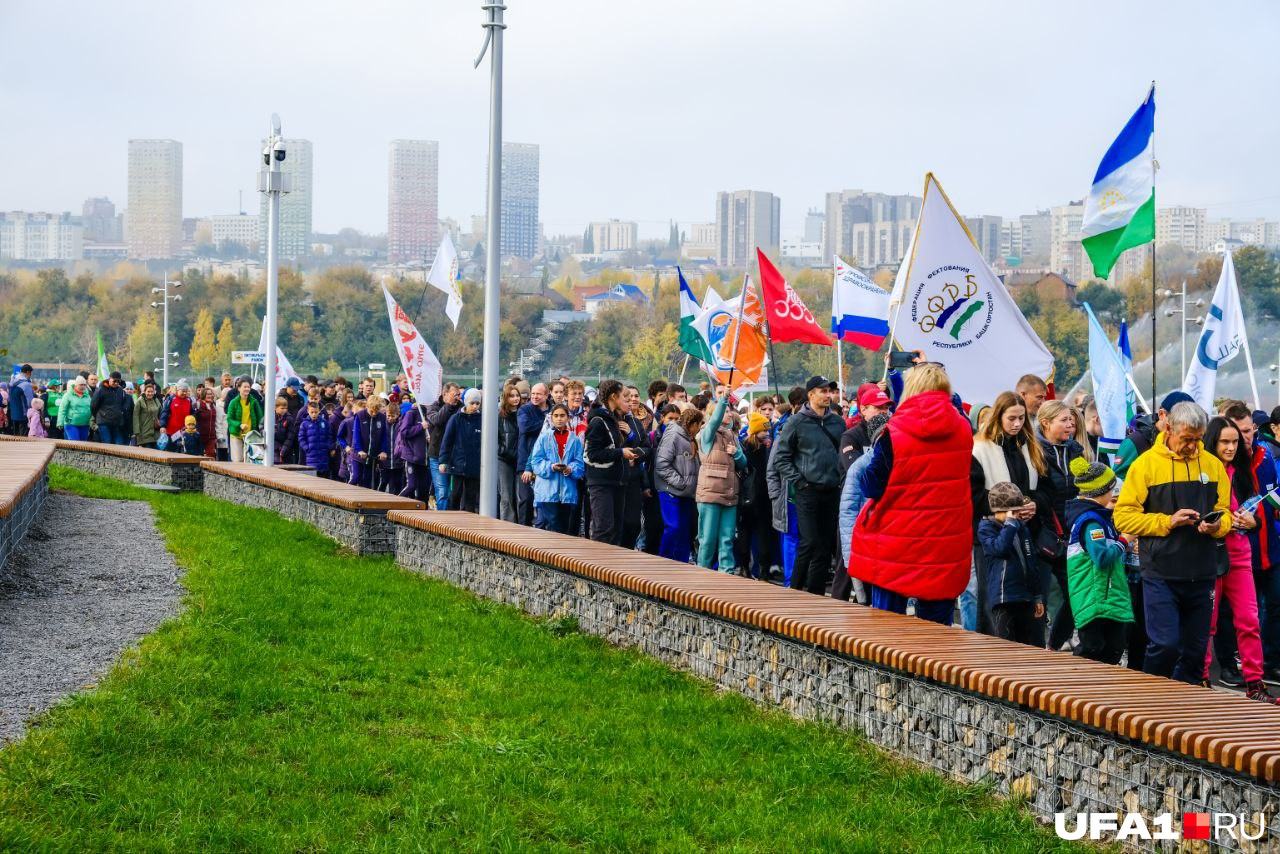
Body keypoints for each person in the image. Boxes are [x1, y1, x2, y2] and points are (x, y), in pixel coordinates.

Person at [1114, 402, 1230, 685]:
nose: (1193, 445)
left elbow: (1225, 513)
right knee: (1164, 645)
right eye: (1187, 438)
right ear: (1169, 428)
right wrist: (1167, 522)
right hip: (1161, 572)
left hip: (1202, 572)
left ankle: (1183, 713)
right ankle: (1150, 705)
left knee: (1195, 652)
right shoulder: (1145, 465)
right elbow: (1123, 518)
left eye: (1198, 439)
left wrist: (1217, 526)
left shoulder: (1213, 465)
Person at [852, 364, 973, 624]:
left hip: (896, 544)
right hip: (944, 545)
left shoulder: (893, 433)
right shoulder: (963, 429)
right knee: (937, 634)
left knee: (887, 633)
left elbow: (871, 486)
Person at [1199, 417, 1280, 703]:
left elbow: (1258, 511)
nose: (1232, 447)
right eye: (1225, 442)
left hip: (1239, 551)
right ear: (1213, 441)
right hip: (1209, 553)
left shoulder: (1242, 471)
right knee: (1206, 622)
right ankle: (1203, 678)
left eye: (1235, 441)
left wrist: (1251, 521)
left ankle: (1255, 684)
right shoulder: (1202, 470)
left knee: (1249, 619)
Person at [969, 391, 1047, 635]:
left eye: (1022, 418)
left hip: (1027, 533)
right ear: (998, 417)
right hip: (994, 535)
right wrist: (1007, 509)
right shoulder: (979, 449)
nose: (1017, 424)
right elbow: (972, 495)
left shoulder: (1030, 446)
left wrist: (1035, 503)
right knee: (994, 604)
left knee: (1029, 601)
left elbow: (1045, 489)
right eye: (1011, 418)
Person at [772, 376, 846, 594]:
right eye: (823, 391)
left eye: (829, 391)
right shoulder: (796, 421)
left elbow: (842, 454)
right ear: (811, 394)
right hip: (807, 491)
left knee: (824, 547)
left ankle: (815, 595)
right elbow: (780, 458)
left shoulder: (837, 422)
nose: (828, 395)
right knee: (809, 542)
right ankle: (794, 591)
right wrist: (800, 482)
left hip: (831, 491)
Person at [1063, 457, 1133, 664]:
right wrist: (1124, 541)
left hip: (1104, 596)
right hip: (1096, 597)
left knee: (1112, 649)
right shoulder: (1091, 522)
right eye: (1112, 491)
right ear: (1102, 491)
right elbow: (1102, 558)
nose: (1113, 495)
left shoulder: (1098, 518)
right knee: (1094, 651)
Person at [1038, 400, 1086, 651]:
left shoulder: (1075, 450)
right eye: (1064, 420)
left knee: (1076, 594)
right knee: (1039, 596)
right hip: (1043, 533)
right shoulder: (1034, 450)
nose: (1071, 425)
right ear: (1046, 423)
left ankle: (1053, 645)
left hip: (1070, 534)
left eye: (1072, 420)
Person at [978, 482, 1044, 647]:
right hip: (1004, 599)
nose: (1016, 516)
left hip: (1025, 597)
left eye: (1018, 512)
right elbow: (1000, 548)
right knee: (1005, 646)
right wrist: (1009, 524)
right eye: (1013, 512)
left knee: (1031, 646)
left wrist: (1037, 596)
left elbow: (1031, 561)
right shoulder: (986, 528)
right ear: (998, 511)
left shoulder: (1021, 528)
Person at [837, 412, 891, 603]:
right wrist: (852, 560)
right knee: (869, 601)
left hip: (887, 546)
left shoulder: (900, 463)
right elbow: (848, 515)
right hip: (867, 545)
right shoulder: (860, 467)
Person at [695, 394, 747, 573]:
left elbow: (743, 464)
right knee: (707, 539)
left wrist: (737, 454)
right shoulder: (706, 434)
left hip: (730, 494)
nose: (730, 414)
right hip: (710, 494)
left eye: (731, 410)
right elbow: (714, 421)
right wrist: (724, 399)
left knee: (727, 539)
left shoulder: (732, 436)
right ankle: (702, 573)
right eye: (726, 411)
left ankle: (727, 574)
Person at [584, 380, 637, 545]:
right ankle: (596, 569)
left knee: (616, 529)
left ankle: (612, 569)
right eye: (623, 396)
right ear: (614, 397)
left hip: (617, 481)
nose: (626, 400)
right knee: (603, 529)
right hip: (601, 482)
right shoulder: (598, 421)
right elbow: (593, 454)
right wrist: (620, 452)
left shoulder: (614, 418)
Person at [528, 403, 585, 533]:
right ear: (551, 418)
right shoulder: (544, 437)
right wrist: (551, 467)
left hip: (567, 491)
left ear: (568, 418)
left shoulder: (575, 439)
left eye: (562, 416)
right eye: (556, 416)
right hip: (548, 490)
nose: (559, 419)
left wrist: (570, 469)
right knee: (553, 523)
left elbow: (580, 463)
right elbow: (535, 461)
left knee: (565, 525)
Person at [655, 407, 701, 563]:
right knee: (673, 528)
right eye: (699, 424)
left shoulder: (690, 438)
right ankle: (663, 563)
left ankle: (680, 566)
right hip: (670, 491)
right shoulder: (673, 435)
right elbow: (661, 464)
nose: (700, 428)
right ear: (692, 423)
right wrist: (681, 483)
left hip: (686, 494)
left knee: (683, 532)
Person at [736, 411, 776, 581]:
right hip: (762, 497)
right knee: (763, 535)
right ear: (755, 431)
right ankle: (764, 572)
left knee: (745, 532)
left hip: (746, 497)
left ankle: (745, 568)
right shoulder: (766, 448)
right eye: (763, 431)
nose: (767, 433)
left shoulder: (743, 447)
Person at [619, 385, 653, 549]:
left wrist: (634, 453)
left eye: (635, 396)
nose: (632, 400)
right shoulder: (609, 420)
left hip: (634, 478)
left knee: (633, 523)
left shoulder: (636, 423)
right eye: (627, 397)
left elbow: (647, 448)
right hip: (616, 477)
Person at [440, 388, 483, 512]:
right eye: (472, 403)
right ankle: (451, 522)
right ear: (466, 402)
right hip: (457, 465)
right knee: (455, 495)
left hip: (474, 465)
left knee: (471, 497)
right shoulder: (456, 418)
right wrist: (443, 461)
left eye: (477, 403)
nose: (475, 406)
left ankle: (468, 526)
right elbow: (447, 441)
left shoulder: (481, 419)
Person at [516, 382, 550, 525]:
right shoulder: (525, 409)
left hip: (546, 461)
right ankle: (523, 528)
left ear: (546, 395)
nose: (535, 397)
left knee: (544, 499)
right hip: (526, 459)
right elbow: (525, 427)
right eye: (533, 393)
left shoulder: (553, 410)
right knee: (526, 499)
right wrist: (547, 424)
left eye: (539, 394)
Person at [839, 385, 892, 473]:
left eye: (886, 408)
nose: (883, 411)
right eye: (878, 407)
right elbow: (857, 471)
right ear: (863, 410)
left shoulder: (894, 434)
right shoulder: (850, 437)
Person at [426, 383, 462, 511]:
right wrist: (448, 406)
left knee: (455, 493)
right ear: (444, 394)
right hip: (437, 455)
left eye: (458, 395)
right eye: (454, 395)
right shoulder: (433, 407)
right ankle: (441, 521)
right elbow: (437, 420)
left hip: (456, 456)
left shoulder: (461, 408)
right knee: (442, 491)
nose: (457, 398)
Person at [350, 395, 390, 489]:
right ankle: (345, 498)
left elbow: (384, 436)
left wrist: (383, 451)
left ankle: (363, 502)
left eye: (376, 411)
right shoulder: (359, 416)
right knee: (356, 477)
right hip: (358, 455)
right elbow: (356, 434)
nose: (374, 413)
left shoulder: (382, 418)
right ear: (367, 406)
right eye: (372, 410)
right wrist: (359, 450)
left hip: (372, 455)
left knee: (367, 481)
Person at [497, 383, 522, 522]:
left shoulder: (523, 414)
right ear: (506, 398)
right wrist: (503, 451)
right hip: (504, 460)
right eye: (511, 396)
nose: (515, 398)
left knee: (520, 496)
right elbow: (494, 439)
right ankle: (506, 526)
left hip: (520, 460)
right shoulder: (499, 416)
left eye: (517, 395)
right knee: (506, 497)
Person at [397, 403, 430, 501]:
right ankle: (393, 505)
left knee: (424, 489)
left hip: (424, 459)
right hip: (412, 456)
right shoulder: (411, 413)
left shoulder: (430, 414)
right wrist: (420, 427)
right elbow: (404, 432)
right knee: (411, 485)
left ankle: (422, 513)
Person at [226, 379, 262, 463]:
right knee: (238, 460)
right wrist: (240, 424)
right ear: (239, 388)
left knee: (250, 460)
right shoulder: (233, 402)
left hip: (250, 435)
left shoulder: (254, 402)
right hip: (236, 435)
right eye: (245, 387)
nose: (247, 389)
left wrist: (260, 430)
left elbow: (260, 417)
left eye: (248, 387)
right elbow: (229, 419)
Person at [90, 371, 128, 445]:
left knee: (119, 443)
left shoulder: (120, 390)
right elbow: (93, 405)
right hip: (103, 421)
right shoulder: (101, 390)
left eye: (118, 381)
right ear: (109, 379)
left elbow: (121, 404)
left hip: (116, 421)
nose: (116, 383)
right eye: (114, 381)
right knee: (107, 442)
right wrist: (98, 416)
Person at [297, 399, 332, 478]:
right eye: (312, 412)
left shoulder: (324, 423)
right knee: (312, 477)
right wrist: (307, 448)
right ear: (308, 411)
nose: (314, 414)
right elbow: (301, 438)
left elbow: (329, 435)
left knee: (324, 477)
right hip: (311, 455)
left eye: (316, 412)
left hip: (323, 455)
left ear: (319, 411)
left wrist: (328, 447)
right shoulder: (304, 424)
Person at [379, 401, 405, 495]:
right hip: (385, 460)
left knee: (398, 483)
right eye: (388, 415)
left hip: (398, 460)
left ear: (398, 415)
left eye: (392, 416)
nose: (389, 418)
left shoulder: (401, 424)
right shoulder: (382, 424)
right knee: (383, 482)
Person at [59, 376, 92, 441]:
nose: (83, 386)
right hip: (71, 424)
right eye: (81, 385)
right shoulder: (68, 395)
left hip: (85, 423)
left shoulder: (87, 396)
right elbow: (62, 409)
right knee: (75, 442)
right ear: (76, 385)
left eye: (84, 385)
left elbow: (91, 408)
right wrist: (60, 422)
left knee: (83, 444)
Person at [133, 381, 162, 448]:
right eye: (148, 391)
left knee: (156, 454)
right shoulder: (140, 401)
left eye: (152, 391)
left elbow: (161, 413)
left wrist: (162, 425)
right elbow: (135, 416)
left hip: (156, 432)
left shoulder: (156, 400)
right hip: (144, 433)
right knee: (147, 453)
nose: (150, 393)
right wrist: (137, 432)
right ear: (144, 392)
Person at [7, 364, 33, 435]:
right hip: (23, 415)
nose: (31, 375)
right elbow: (30, 401)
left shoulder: (11, 382)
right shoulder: (26, 384)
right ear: (27, 372)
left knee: (15, 438)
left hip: (13, 414)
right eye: (31, 373)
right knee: (22, 439)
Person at [195, 387, 217, 457]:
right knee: (199, 456)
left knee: (211, 456)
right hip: (200, 436)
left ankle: (209, 468)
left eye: (211, 394)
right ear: (203, 395)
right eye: (208, 394)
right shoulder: (197, 404)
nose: (210, 396)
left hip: (211, 436)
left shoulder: (213, 405)